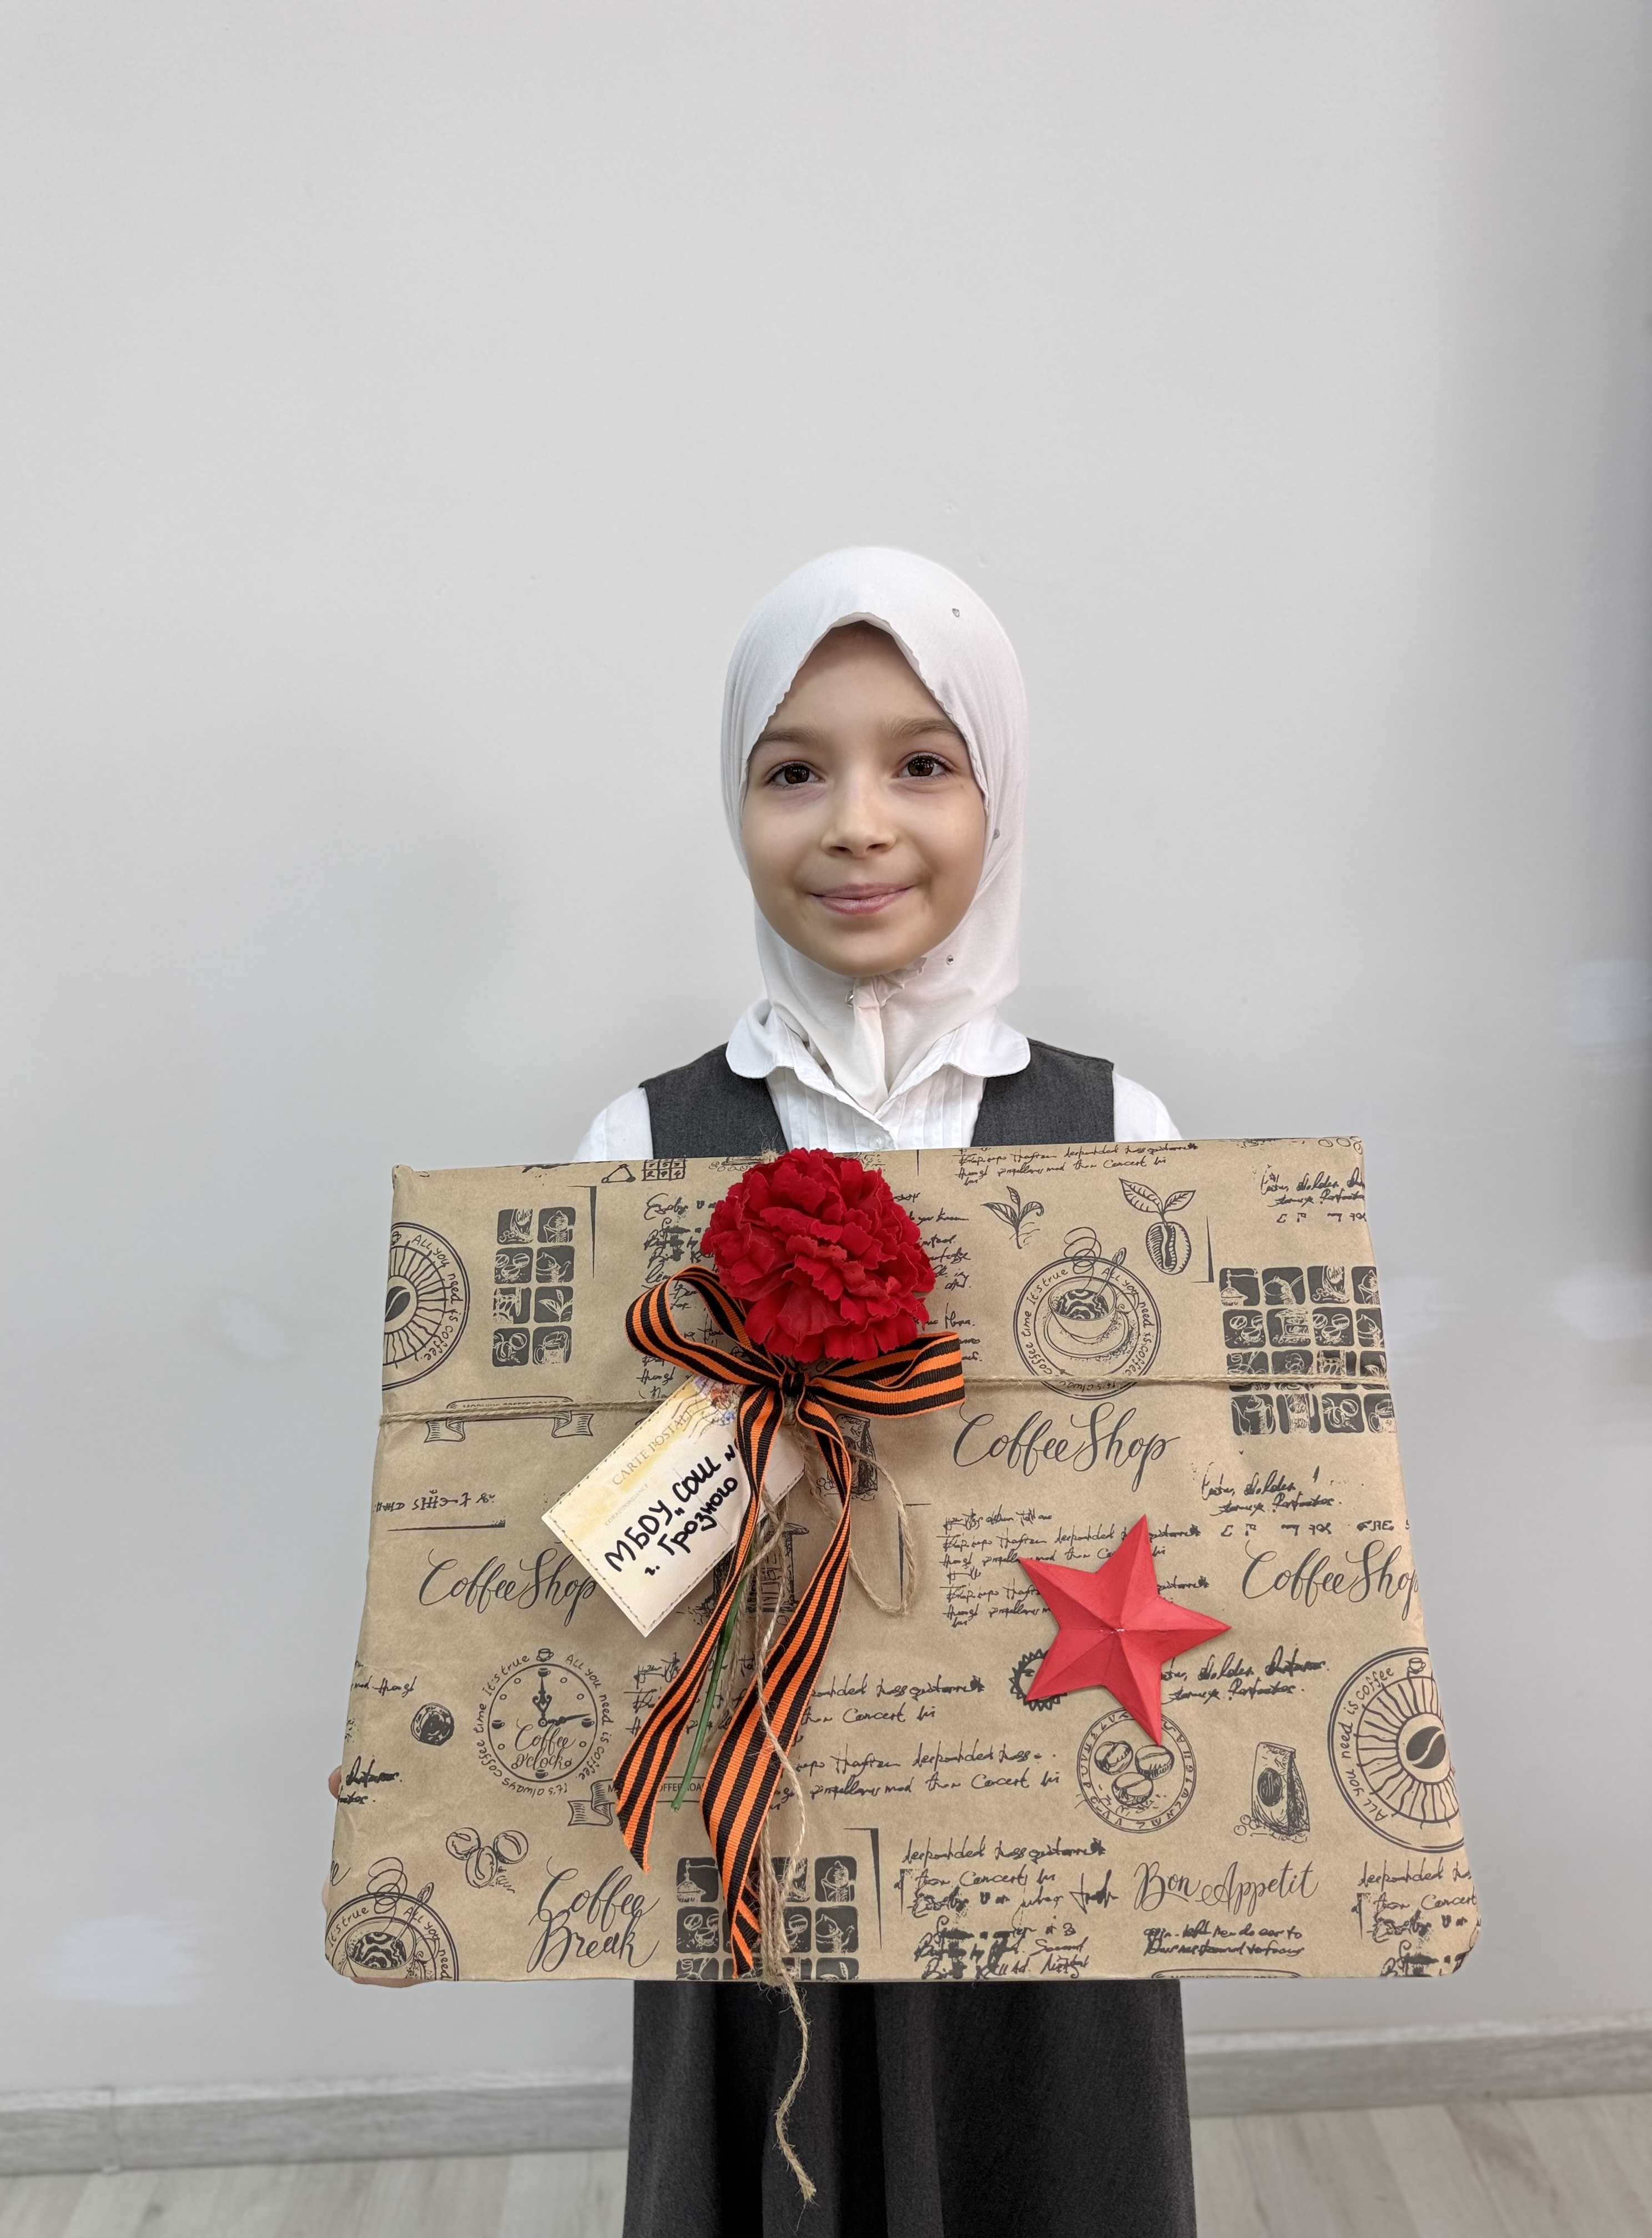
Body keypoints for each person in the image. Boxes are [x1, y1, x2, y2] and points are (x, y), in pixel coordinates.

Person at [572, 549, 1197, 2238]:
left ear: (1001, 795)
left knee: (1054, 2162)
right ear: (735, 803)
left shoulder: (1120, 1133)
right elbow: (606, 1565)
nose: (857, 823)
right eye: (794, 771)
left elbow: (1183, 1525)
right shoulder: (642, 1148)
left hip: (1048, 1830)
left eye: (923, 763)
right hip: (754, 1835)